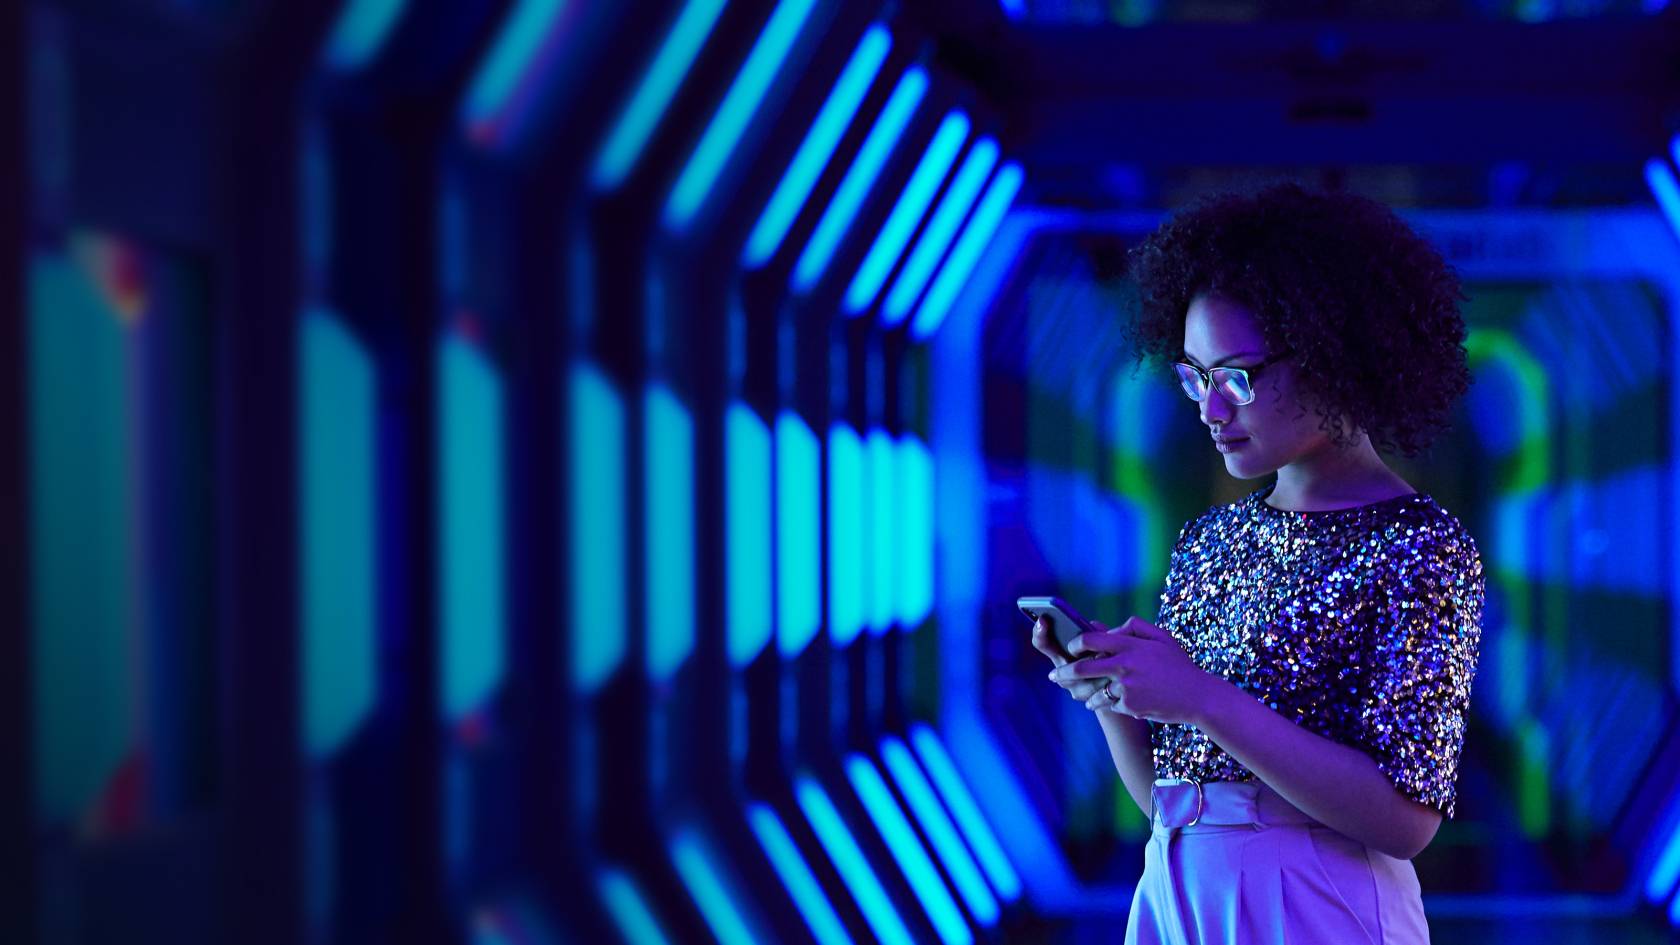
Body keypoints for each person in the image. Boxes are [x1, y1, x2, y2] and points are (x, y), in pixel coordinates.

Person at [1032, 180, 1486, 944]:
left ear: (1332, 355)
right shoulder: (1210, 539)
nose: (1211, 409)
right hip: (1175, 889)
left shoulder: (1422, 547)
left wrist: (1202, 696)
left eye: (1235, 376)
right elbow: (1171, 796)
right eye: (1193, 379)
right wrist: (1116, 695)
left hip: (1319, 905)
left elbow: (1406, 820)